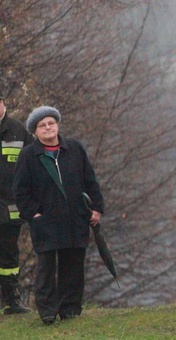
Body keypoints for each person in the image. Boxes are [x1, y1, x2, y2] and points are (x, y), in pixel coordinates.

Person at [13, 106, 104, 325]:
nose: (47, 128)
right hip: (45, 220)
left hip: (75, 218)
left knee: (73, 264)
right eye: (42, 125)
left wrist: (97, 208)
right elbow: (20, 191)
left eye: (51, 123)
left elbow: (90, 181)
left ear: (58, 125)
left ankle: (70, 308)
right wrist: (33, 213)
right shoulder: (29, 155)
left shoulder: (74, 149)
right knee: (46, 267)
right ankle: (47, 311)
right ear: (35, 131)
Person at [0, 93, 32, 314]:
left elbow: (33, 166)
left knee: (10, 255)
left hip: (11, 207)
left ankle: (12, 300)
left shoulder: (19, 130)